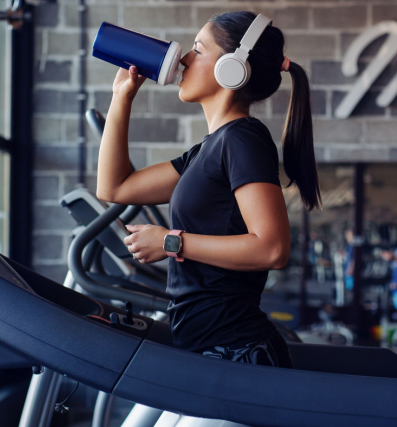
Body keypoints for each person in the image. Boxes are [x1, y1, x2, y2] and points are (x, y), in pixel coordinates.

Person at [96, 11, 320, 369]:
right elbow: (115, 187)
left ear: (231, 68)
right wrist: (122, 97)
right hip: (209, 349)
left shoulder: (243, 139)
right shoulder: (208, 150)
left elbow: (272, 248)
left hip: (234, 351)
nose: (184, 58)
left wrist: (171, 241)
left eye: (198, 50)